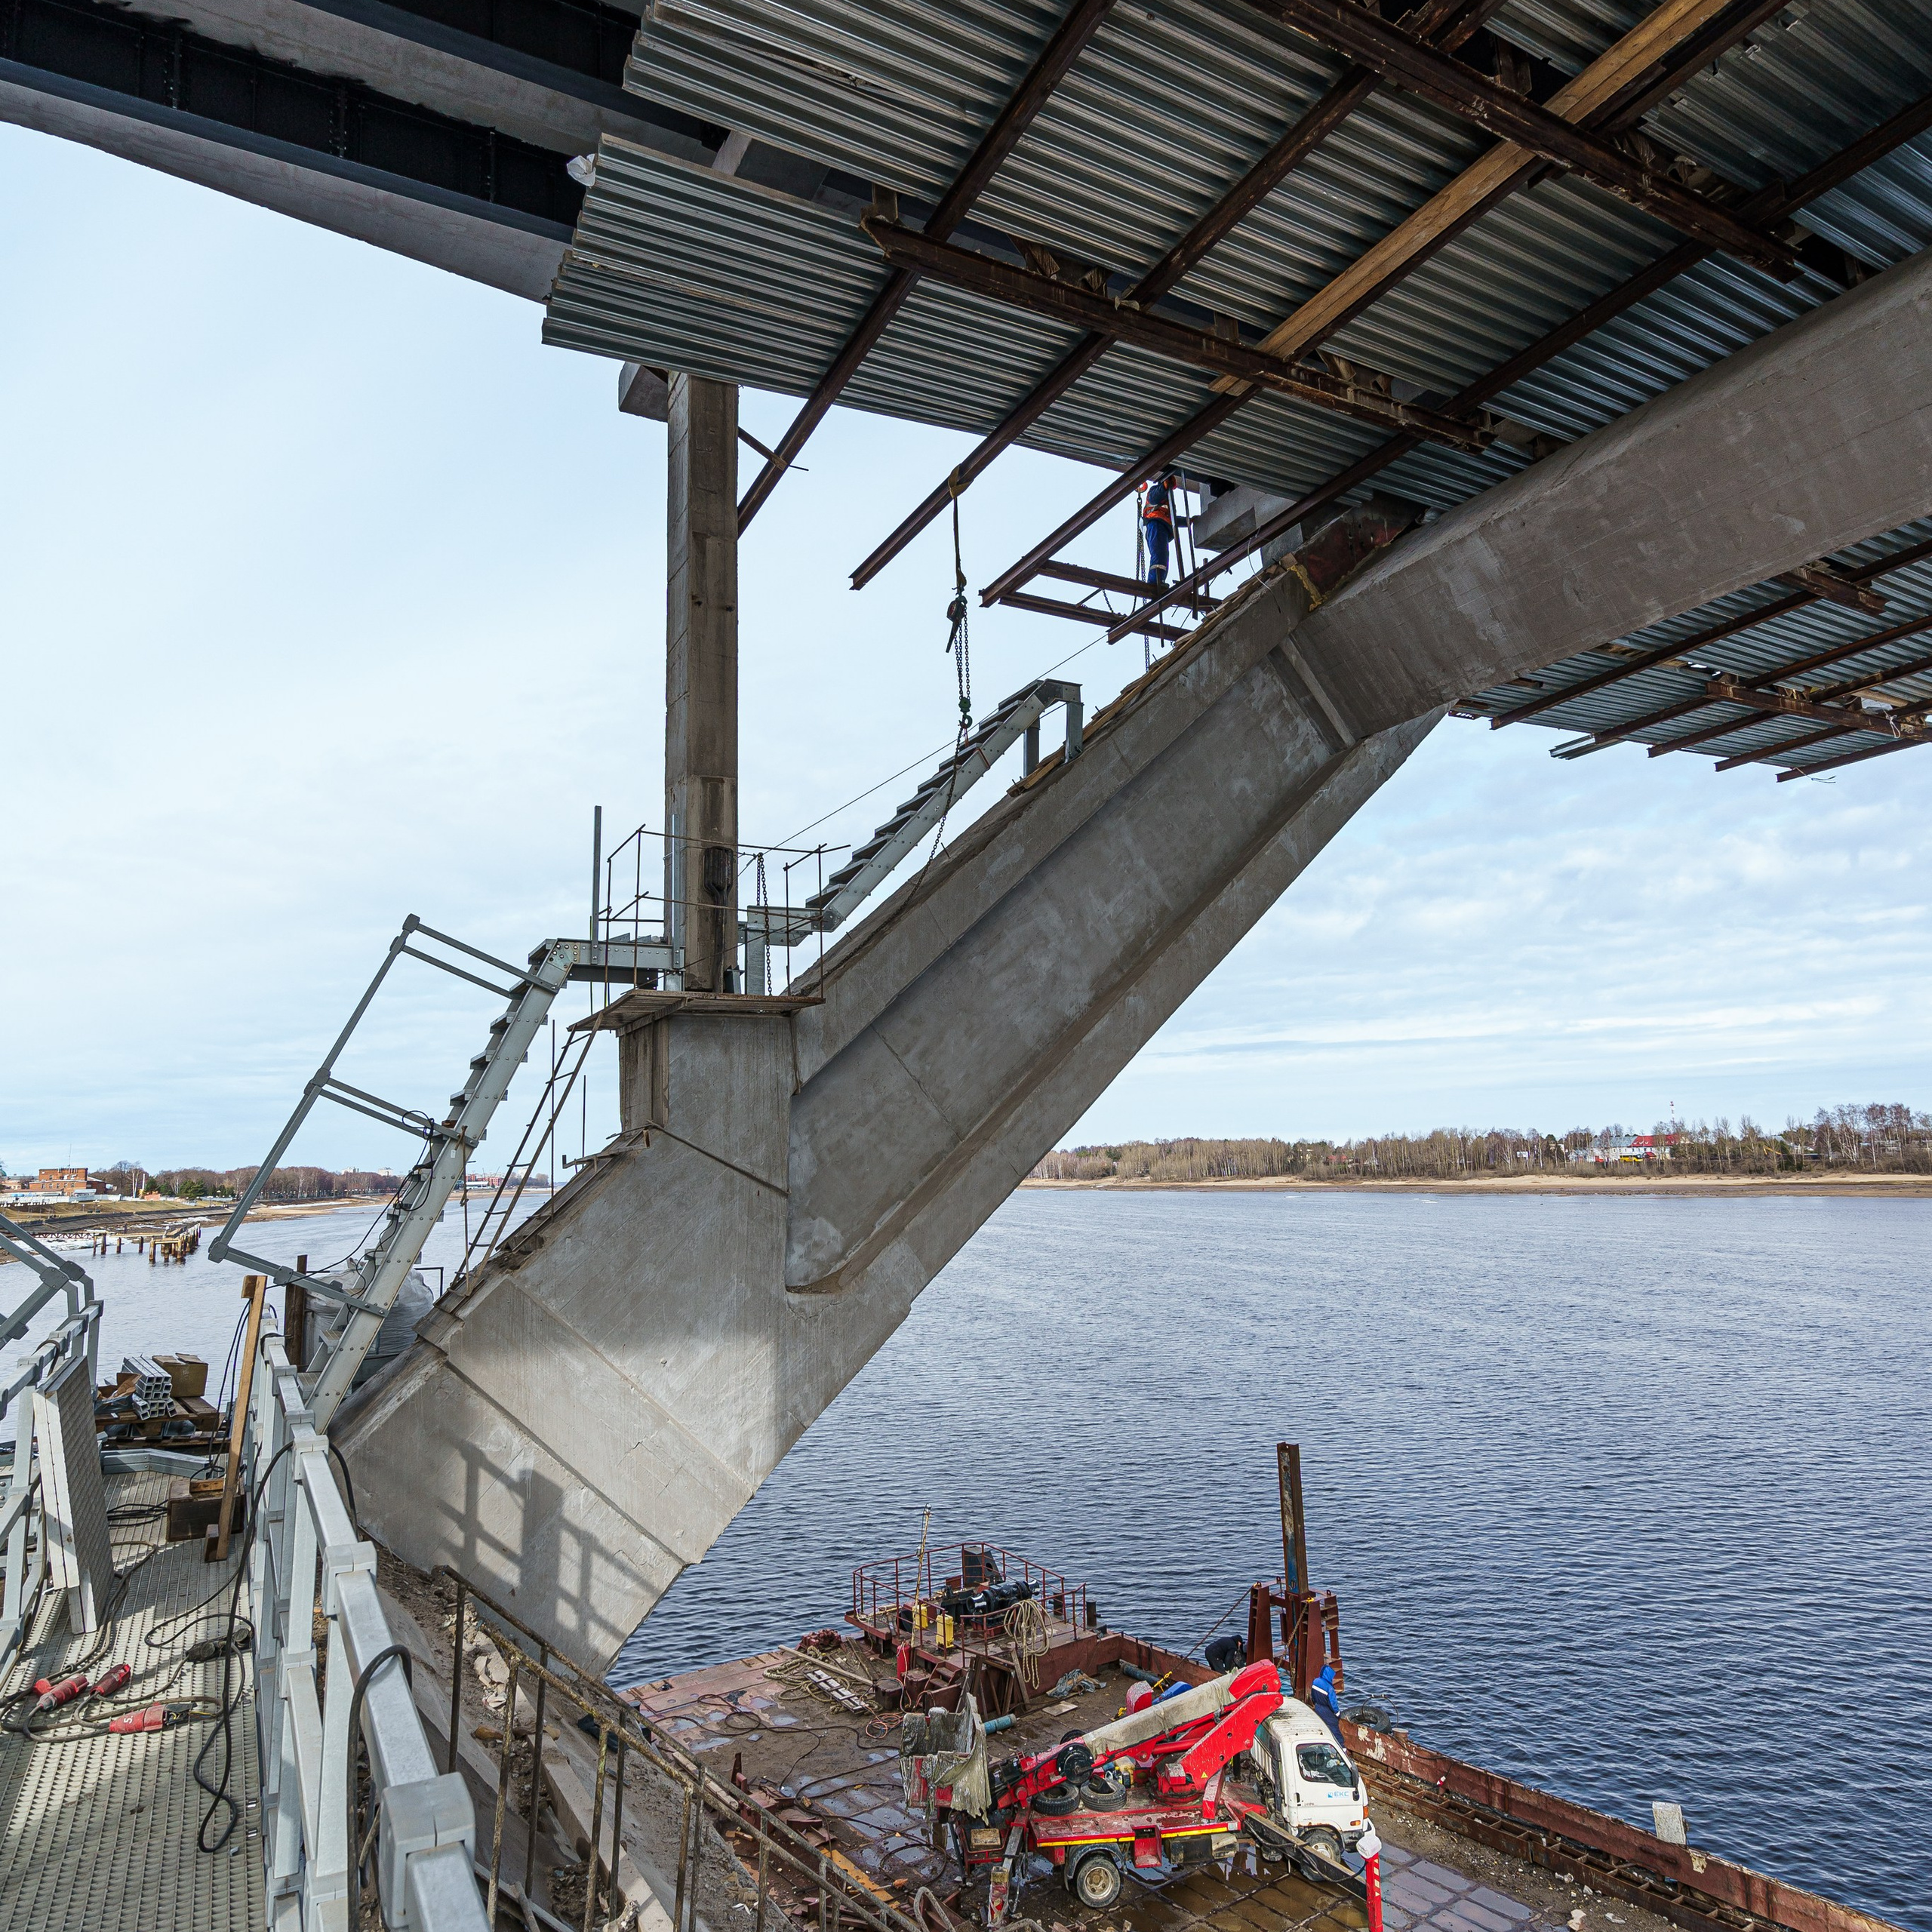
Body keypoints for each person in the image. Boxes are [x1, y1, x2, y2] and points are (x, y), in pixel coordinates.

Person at [1141, 470, 1185, 586]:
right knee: (1159, 554)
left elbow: (1173, 519)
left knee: (1163, 556)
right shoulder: (1155, 491)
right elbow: (1154, 498)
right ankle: (1154, 582)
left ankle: (1159, 581)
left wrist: (1188, 521)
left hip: (1161, 527)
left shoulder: (1168, 500)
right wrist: (1164, 487)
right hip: (1155, 524)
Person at [1309, 1663, 1344, 1743]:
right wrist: (1338, 1714)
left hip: (1317, 1707)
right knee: (1335, 1730)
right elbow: (1333, 1704)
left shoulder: (1315, 1681)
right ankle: (1342, 1748)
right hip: (1326, 1711)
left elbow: (1313, 1696)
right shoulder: (1329, 1688)